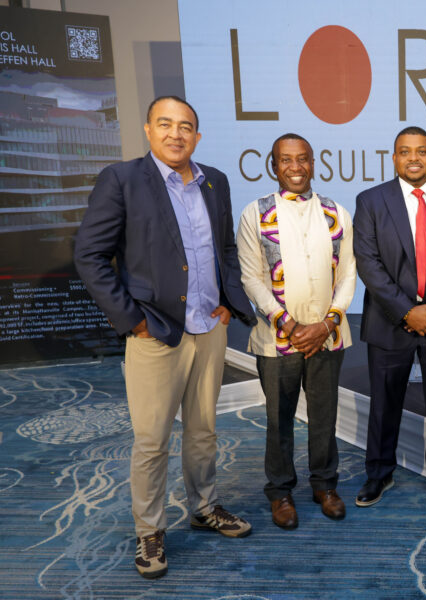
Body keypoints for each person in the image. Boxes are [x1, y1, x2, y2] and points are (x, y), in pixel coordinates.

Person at [73, 96, 255, 579]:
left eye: (186, 126)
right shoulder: (122, 180)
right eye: (166, 124)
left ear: (197, 135)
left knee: (203, 431)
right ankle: (150, 530)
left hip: (208, 328)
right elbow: (90, 255)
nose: (176, 134)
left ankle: (204, 507)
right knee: (152, 441)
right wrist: (132, 319)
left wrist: (228, 301)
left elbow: (225, 248)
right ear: (148, 130)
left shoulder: (215, 180)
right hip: (154, 331)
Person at [236, 134, 355, 526]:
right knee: (278, 420)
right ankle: (280, 492)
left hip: (328, 336)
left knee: (324, 417)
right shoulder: (255, 213)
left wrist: (328, 322)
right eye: (286, 160)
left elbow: (348, 274)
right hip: (277, 339)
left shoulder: (336, 212)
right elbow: (251, 278)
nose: (295, 167)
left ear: (313, 163)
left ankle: (325, 485)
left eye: (302, 159)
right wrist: (287, 323)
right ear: (274, 166)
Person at [352, 126, 426, 508]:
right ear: (394, 158)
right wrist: (406, 311)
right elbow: (368, 263)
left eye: (422, 151)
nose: (414, 158)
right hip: (389, 321)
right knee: (384, 405)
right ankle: (378, 473)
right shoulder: (370, 201)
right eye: (405, 151)